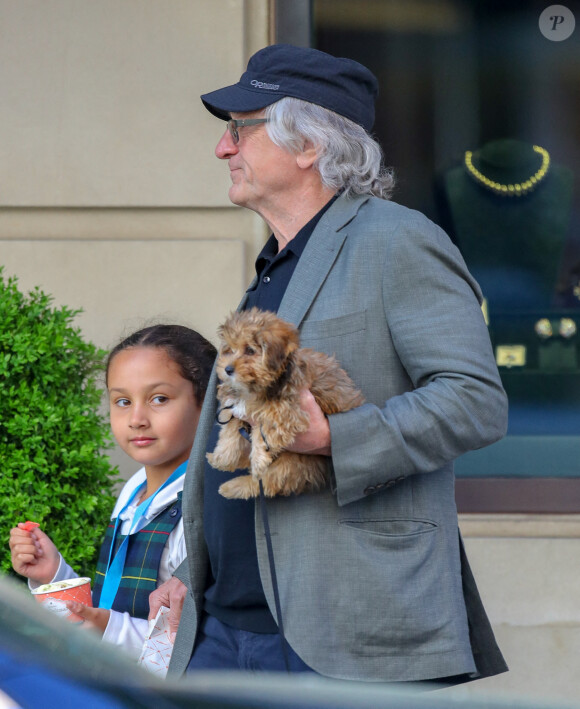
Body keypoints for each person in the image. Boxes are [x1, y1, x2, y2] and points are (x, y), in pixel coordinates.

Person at [150, 44, 509, 685]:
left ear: (308, 145)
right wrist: (190, 575)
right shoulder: (275, 266)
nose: (222, 149)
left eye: (240, 128)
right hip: (225, 630)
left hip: (344, 631)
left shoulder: (397, 240)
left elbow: (474, 400)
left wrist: (333, 438)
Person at [9, 324, 216, 660]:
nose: (136, 418)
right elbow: (110, 604)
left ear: (206, 403)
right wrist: (54, 573)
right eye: (122, 400)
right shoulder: (134, 489)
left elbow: (192, 647)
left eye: (159, 399)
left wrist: (109, 629)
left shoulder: (204, 506)